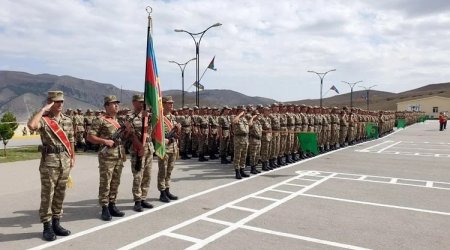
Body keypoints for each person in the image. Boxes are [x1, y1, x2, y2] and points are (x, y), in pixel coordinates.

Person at [27, 91, 74, 241]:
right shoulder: (44, 120)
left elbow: (71, 140)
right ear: (50, 102)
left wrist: (73, 156)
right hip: (50, 162)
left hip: (65, 161)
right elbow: (32, 125)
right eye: (56, 101)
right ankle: (47, 227)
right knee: (48, 195)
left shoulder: (67, 120)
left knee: (60, 194)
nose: (60, 104)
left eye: (61, 101)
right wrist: (42, 110)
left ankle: (56, 223)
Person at [87, 95, 129, 221]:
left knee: (115, 182)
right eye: (113, 103)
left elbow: (124, 138)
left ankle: (112, 205)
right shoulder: (100, 120)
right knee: (106, 182)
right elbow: (90, 137)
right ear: (106, 106)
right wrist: (105, 141)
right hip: (107, 156)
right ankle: (104, 207)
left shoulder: (119, 121)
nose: (116, 105)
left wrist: (127, 130)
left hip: (119, 155)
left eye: (117, 103)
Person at [127, 94, 155, 212]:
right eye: (139, 102)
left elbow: (152, 131)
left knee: (147, 175)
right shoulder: (130, 117)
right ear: (134, 103)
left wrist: (147, 118)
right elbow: (130, 134)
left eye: (143, 102)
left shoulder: (148, 116)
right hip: (137, 149)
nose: (142, 104)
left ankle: (143, 198)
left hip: (149, 147)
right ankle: (137, 200)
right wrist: (139, 147)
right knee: (138, 175)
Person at [158, 96, 180, 202]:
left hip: (173, 147)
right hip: (164, 148)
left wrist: (178, 130)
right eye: (169, 103)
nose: (171, 105)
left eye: (172, 103)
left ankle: (167, 190)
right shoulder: (158, 117)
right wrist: (162, 140)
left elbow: (175, 133)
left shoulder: (173, 117)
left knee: (169, 170)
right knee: (163, 171)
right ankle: (162, 192)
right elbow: (154, 133)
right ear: (163, 104)